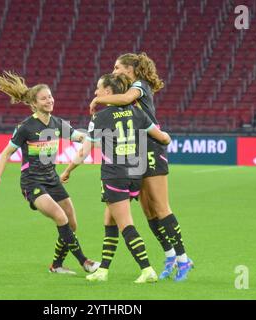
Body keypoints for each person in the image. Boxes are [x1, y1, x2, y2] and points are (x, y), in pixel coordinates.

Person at [89, 53, 194, 282]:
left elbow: (125, 98)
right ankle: (169, 256)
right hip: (138, 152)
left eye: (118, 67)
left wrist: (98, 100)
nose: (114, 71)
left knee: (161, 207)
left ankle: (184, 258)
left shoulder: (139, 85)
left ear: (131, 69)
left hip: (152, 149)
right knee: (149, 211)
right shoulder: (130, 88)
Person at [61, 73, 172, 283]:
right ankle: (103, 270)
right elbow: (162, 137)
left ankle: (147, 269)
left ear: (109, 92)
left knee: (125, 224)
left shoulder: (100, 118)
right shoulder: (138, 113)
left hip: (114, 176)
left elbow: (84, 153)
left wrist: (67, 171)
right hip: (135, 176)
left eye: (99, 88)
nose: (96, 92)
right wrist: (167, 137)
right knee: (109, 219)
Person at [0, 71, 100, 275]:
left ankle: (56, 265)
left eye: (50, 96)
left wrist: (95, 137)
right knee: (60, 217)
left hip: (52, 179)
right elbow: (6, 153)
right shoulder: (26, 127)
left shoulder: (57, 123)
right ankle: (85, 262)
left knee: (71, 223)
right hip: (32, 183)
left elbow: (79, 137)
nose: (49, 100)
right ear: (34, 103)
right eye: (44, 98)